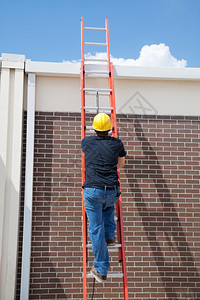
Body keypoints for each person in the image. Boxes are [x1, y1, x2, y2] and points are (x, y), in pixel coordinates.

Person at [81, 113, 126, 283]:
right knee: (108, 206)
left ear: (94, 128)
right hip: (112, 190)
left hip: (93, 191)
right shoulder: (117, 143)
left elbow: (88, 153)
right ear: (109, 128)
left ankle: (101, 268)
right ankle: (110, 237)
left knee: (95, 228)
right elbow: (120, 164)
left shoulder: (86, 142)